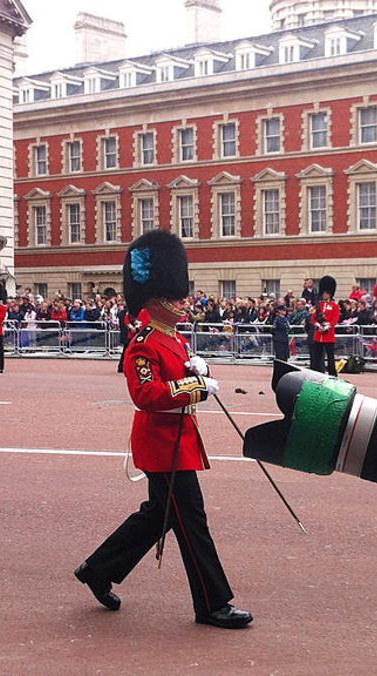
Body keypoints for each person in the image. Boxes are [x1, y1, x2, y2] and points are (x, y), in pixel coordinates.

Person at [74, 230, 252, 630]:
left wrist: (200, 370)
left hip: (180, 440)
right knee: (192, 520)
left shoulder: (174, 338)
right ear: (157, 299)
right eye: (177, 296)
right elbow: (145, 393)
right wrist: (194, 386)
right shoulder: (143, 343)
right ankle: (212, 603)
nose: (183, 302)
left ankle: (98, 569)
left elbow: (182, 376)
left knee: (160, 515)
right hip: (161, 443)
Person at [308, 275, 340, 376]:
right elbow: (313, 319)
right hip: (318, 335)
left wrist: (326, 327)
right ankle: (316, 374)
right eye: (323, 293)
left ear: (330, 294)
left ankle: (332, 374)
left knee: (330, 357)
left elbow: (335, 319)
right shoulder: (318, 305)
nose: (324, 295)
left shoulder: (335, 306)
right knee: (317, 357)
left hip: (328, 335)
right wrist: (318, 325)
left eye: (326, 293)